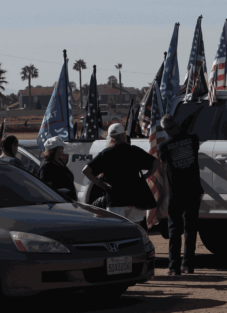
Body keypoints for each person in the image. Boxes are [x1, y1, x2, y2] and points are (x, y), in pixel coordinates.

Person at [159, 114, 204, 276]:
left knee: (174, 230)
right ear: (177, 123)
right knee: (190, 230)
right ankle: (189, 265)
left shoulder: (164, 146)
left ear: (165, 130)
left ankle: (174, 267)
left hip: (176, 193)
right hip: (194, 191)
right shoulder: (193, 139)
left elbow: (163, 167)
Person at [82, 122, 159, 213]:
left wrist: (103, 185)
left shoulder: (106, 153)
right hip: (134, 199)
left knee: (117, 226)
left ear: (110, 137)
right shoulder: (134, 151)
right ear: (123, 135)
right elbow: (156, 162)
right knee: (135, 226)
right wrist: (145, 176)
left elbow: (86, 171)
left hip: (114, 200)